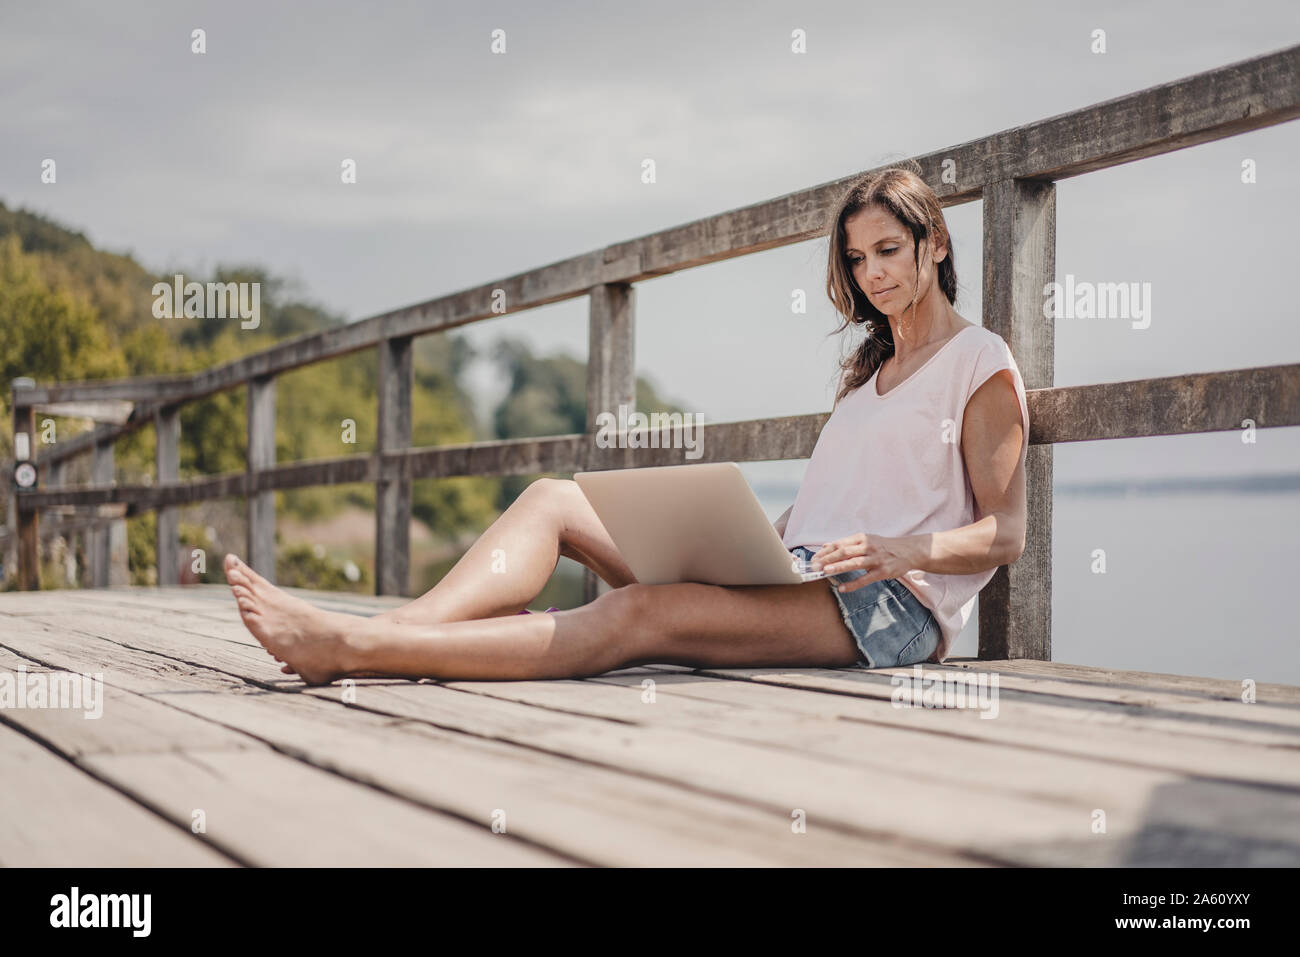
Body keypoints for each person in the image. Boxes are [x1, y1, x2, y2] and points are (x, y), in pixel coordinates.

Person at [224, 162, 1029, 686]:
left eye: (889, 250)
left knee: (639, 616)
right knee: (551, 499)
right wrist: (754, 538)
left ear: (936, 242)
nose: (873, 274)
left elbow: (1006, 531)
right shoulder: (868, 377)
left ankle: (355, 650)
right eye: (857, 259)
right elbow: (834, 505)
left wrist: (903, 550)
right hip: (800, 572)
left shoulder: (978, 362)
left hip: (886, 608)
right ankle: (386, 627)